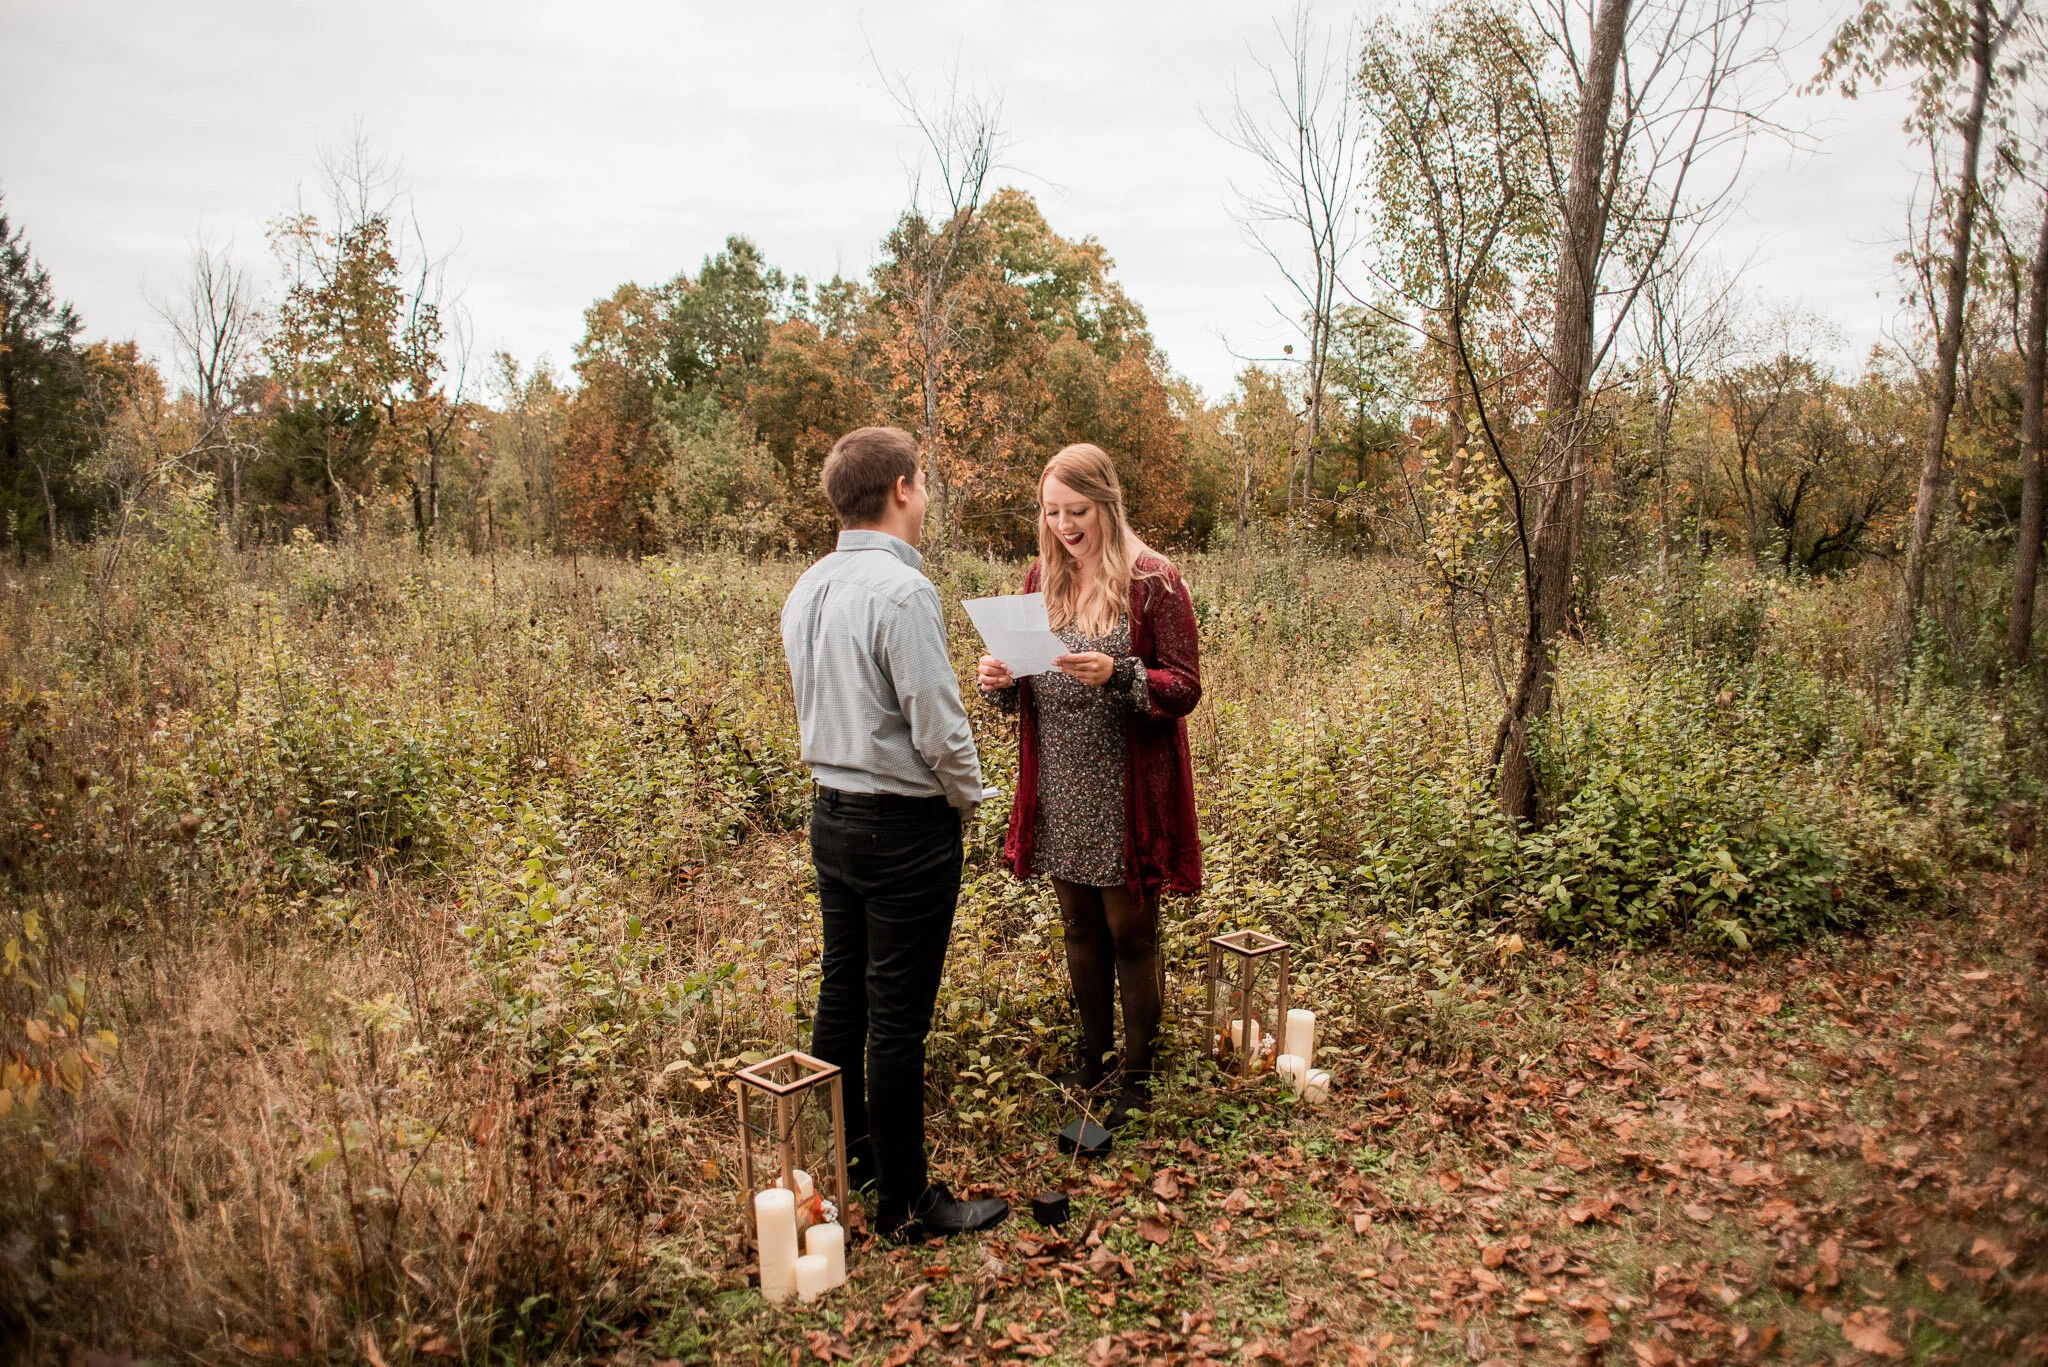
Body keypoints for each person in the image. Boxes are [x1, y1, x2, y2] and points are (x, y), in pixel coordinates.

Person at [780, 425, 1009, 1240]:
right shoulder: (903, 593)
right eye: (926, 482)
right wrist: (968, 798)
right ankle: (907, 1203)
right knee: (897, 1016)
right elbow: (939, 724)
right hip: (902, 824)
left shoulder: (807, 584)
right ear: (904, 487)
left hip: (830, 812)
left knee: (842, 993)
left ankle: (853, 1159)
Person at [976, 443, 1202, 1129]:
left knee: (1131, 930)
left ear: (1106, 503)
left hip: (1125, 782)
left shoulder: (1154, 581)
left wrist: (1122, 675)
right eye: (1052, 512)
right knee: (1078, 925)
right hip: (1061, 781)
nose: (1065, 525)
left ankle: (1139, 1070)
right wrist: (999, 683)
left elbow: (1185, 686)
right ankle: (1093, 1053)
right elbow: (1027, 687)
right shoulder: (1039, 578)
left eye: (1077, 511)